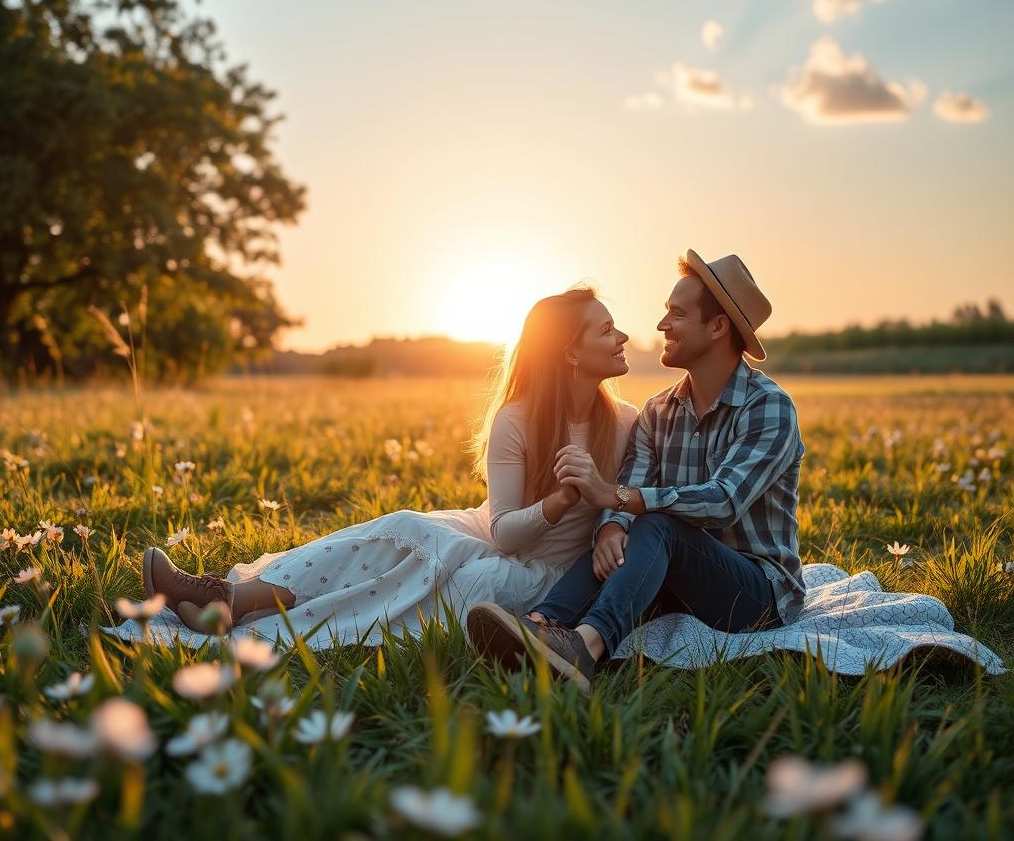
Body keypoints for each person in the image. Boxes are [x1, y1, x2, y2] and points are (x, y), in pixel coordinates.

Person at [137, 286, 639, 648]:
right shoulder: (519, 419)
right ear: (570, 351)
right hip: (491, 530)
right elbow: (505, 531)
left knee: (458, 581)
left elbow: (636, 505)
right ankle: (230, 597)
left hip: (546, 574)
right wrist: (556, 503)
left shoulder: (626, 423)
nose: (622, 336)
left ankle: (242, 609)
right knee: (403, 530)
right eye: (606, 328)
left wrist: (596, 512)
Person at [466, 250, 806, 695]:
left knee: (659, 521)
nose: (661, 324)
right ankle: (541, 626)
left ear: (718, 326)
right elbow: (634, 484)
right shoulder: (658, 411)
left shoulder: (768, 407)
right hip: (677, 581)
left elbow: (723, 502)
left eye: (677, 313)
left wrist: (615, 501)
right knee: (632, 528)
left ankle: (585, 648)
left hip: (756, 592)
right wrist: (610, 528)